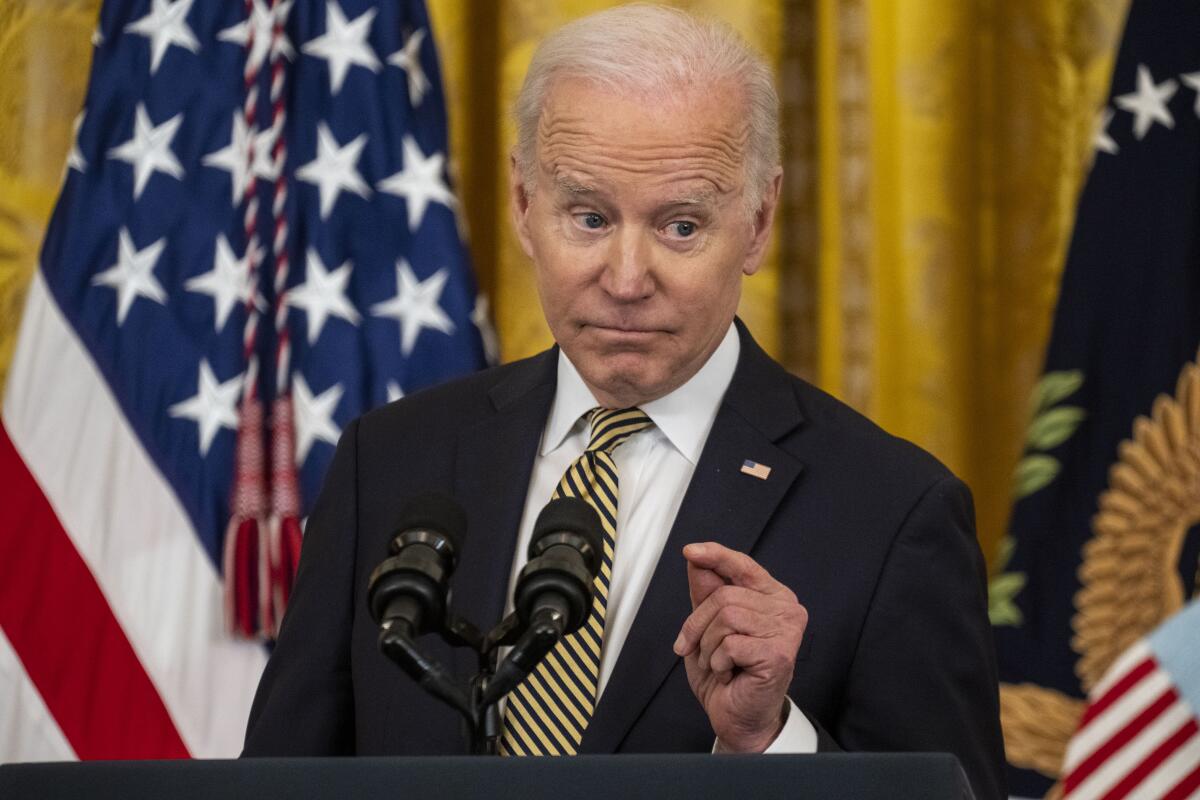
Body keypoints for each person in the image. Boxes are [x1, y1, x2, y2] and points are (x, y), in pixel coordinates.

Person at [243, 5, 1005, 799]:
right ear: (522, 203)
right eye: (590, 217)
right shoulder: (391, 461)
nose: (627, 277)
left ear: (758, 222)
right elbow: (279, 781)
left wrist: (769, 743)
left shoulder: (892, 512)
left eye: (680, 226)